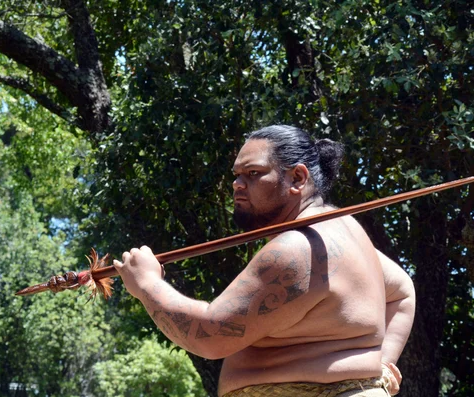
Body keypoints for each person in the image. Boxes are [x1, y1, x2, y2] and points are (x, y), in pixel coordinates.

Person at [113, 125, 416, 396]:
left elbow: (212, 335)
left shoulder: (298, 248)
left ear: (297, 178)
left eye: (253, 174)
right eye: (237, 176)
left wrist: (148, 285)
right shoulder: (344, 233)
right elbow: (402, 290)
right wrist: (382, 367)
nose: (237, 185)